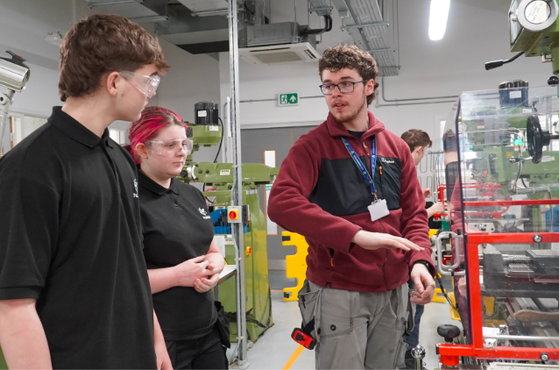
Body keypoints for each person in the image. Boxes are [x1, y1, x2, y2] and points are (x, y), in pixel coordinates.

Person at [0, 14, 171, 369]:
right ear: (114, 82)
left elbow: (130, 263)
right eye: (148, 81)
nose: (151, 93)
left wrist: (155, 342)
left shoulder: (118, 158)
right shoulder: (31, 168)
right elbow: (14, 304)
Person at [268, 44, 437, 370]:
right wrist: (355, 235)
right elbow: (281, 203)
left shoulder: (395, 148)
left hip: (393, 291)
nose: (335, 93)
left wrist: (419, 261)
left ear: (369, 86)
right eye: (328, 85)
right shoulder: (312, 147)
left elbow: (414, 214)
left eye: (346, 83)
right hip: (339, 291)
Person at [127, 106, 228, 370]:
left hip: (207, 329)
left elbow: (212, 250)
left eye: (184, 143)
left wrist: (215, 269)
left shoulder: (191, 195)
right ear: (142, 150)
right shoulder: (129, 201)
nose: (182, 151)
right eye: (170, 145)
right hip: (162, 337)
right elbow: (122, 280)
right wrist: (176, 276)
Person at [401, 128, 444, 369]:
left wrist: (420, 195)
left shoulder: (395, 171)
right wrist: (433, 209)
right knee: (413, 312)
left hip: (407, 255)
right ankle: (409, 360)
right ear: (419, 150)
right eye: (423, 153)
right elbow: (406, 220)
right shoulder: (402, 173)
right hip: (407, 257)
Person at [401, 128, 444, 218]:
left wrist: (417, 195)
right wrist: (434, 209)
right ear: (419, 150)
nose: (423, 156)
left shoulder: (401, 167)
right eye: (425, 151)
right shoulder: (404, 173)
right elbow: (409, 218)